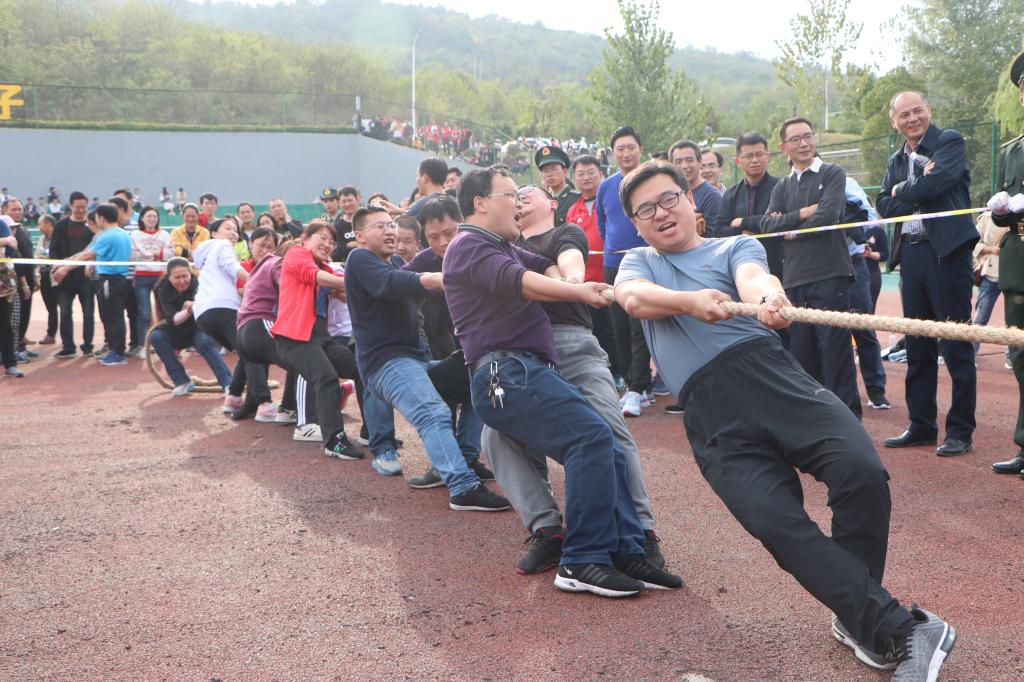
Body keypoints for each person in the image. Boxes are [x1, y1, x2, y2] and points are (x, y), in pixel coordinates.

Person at [615, 159, 956, 677]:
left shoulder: (733, 246)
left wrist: (769, 297)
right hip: (713, 417)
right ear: (636, 224)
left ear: (690, 200)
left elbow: (755, 277)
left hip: (774, 380)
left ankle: (865, 620)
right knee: (776, 523)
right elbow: (632, 299)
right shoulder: (639, 261)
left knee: (861, 472)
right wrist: (689, 302)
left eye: (668, 199)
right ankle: (896, 628)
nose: (661, 213)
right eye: (646, 210)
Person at [443, 165, 680, 597]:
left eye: (522, 196)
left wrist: (569, 279)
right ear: (480, 203)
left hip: (525, 369)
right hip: (502, 372)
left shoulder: (504, 246)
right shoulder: (468, 244)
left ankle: (626, 549)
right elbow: (521, 282)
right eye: (511, 195)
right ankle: (581, 558)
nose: (518, 204)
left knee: (605, 442)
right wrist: (578, 291)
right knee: (590, 437)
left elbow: (543, 264)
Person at [346, 205, 508, 503]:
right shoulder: (359, 259)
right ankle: (463, 488)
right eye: (380, 226)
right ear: (360, 236)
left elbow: (423, 269)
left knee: (484, 375)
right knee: (433, 412)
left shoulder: (396, 261)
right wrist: (439, 279)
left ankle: (464, 458)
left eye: (391, 224)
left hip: (418, 362)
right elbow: (394, 283)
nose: (389, 230)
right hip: (386, 364)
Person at [877, 92, 978, 456]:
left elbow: (939, 183)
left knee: (955, 343)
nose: (912, 118)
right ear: (894, 122)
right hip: (912, 255)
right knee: (917, 344)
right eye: (904, 114)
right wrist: (914, 188)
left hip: (947, 254)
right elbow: (883, 204)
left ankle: (960, 431)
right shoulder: (896, 159)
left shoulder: (948, 141)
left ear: (929, 111)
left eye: (917, 111)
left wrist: (903, 189)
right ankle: (921, 425)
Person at [760, 118, 862, 418]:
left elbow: (828, 214)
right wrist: (804, 213)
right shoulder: (782, 186)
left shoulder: (832, 173)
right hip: (794, 279)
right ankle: (816, 419)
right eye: (796, 139)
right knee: (803, 355)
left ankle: (848, 419)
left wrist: (791, 227)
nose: (804, 143)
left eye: (808, 136)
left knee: (835, 352)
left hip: (830, 274)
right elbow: (767, 225)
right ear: (784, 147)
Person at [272, 221, 363, 460]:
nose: (327, 244)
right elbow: (316, 277)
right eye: (322, 238)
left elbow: (344, 294)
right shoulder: (296, 253)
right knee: (326, 378)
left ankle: (372, 431)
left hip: (321, 337)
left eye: (332, 242)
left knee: (362, 369)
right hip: (294, 337)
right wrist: (355, 282)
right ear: (305, 238)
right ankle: (334, 441)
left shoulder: (324, 267)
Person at [598, 126, 653, 417]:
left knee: (639, 325)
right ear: (613, 153)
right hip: (613, 262)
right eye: (620, 149)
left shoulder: (650, 180)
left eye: (631, 147)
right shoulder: (606, 186)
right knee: (618, 325)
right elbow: (602, 223)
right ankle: (634, 385)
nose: (626, 153)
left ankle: (639, 386)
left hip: (645, 260)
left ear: (640, 149)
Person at [987, 50, 1024, 477]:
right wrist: (1000, 210)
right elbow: (1003, 216)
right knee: (1021, 357)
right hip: (1019, 265)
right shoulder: (1011, 151)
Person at [714, 132, 784, 347]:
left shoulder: (781, 187)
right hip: (740, 272)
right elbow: (719, 230)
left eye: (759, 154)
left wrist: (741, 222)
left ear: (767, 156)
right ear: (738, 160)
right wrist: (743, 233)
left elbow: (777, 224)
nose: (754, 160)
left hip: (778, 267)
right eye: (748, 156)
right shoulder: (731, 194)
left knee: (781, 323)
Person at [51, 203, 133, 366]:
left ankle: (117, 352)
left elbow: (87, 255)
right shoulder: (122, 234)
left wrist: (65, 269)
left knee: (112, 316)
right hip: (118, 278)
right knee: (114, 315)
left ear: (102, 218)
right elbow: (87, 254)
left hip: (110, 279)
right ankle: (116, 350)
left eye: (96, 217)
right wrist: (66, 262)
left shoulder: (107, 235)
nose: (95, 221)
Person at [566, 155, 620, 385]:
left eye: (591, 172)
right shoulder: (572, 209)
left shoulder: (611, 201)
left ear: (601, 174)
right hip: (586, 281)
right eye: (580, 173)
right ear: (574, 178)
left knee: (615, 328)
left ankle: (619, 372)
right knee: (595, 328)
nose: (586, 177)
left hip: (611, 275)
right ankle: (603, 370)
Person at [149, 258, 233, 396]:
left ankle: (228, 383)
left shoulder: (200, 284)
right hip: (174, 329)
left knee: (205, 342)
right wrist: (188, 310)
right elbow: (173, 320)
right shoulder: (162, 288)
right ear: (169, 277)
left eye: (185, 276)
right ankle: (181, 381)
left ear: (190, 273)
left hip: (197, 328)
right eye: (177, 277)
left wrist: (195, 305)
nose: (182, 281)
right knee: (156, 337)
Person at [192, 216, 251, 414]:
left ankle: (234, 396)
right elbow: (231, 266)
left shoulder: (207, 254)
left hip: (203, 314)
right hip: (223, 308)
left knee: (245, 352)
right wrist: (255, 280)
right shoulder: (222, 245)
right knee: (251, 352)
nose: (233, 233)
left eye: (236, 230)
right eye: (228, 228)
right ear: (214, 233)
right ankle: (262, 402)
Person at [49, 191, 96, 359]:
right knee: (65, 312)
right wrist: (57, 267)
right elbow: (53, 249)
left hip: (86, 277)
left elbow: (96, 249)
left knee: (88, 313)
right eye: (78, 207)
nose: (81, 210)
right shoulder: (61, 225)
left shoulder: (92, 226)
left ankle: (88, 346)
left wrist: (90, 264)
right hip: (65, 277)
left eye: (84, 207)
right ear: (70, 206)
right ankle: (68, 346)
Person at [131, 206, 171, 358]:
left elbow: (169, 253)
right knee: (144, 313)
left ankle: (166, 344)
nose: (152, 219)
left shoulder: (164, 234)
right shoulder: (135, 234)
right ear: (142, 218)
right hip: (142, 276)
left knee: (165, 312)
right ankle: (143, 346)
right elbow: (136, 255)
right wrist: (158, 254)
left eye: (155, 216)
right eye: (149, 216)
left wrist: (150, 254)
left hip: (161, 277)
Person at [668, 139, 722, 230]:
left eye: (689, 160)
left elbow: (714, 236)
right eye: (678, 162)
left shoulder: (712, 196)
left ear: (699, 162)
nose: (684, 166)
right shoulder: (668, 194)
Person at [534, 145, 580, 226]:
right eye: (545, 171)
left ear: (565, 172)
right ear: (541, 175)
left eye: (553, 169)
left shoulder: (576, 199)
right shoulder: (542, 201)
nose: (549, 174)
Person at [0, 216, 23, 377]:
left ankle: (10, 364)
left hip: (3, 286)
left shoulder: (1, 224)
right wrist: (4, 241)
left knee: (5, 326)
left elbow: (12, 248)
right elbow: (7, 243)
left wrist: (7, 241)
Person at [35, 214, 59, 345]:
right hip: (44, 275)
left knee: (64, 308)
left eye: (40, 224)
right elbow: (37, 256)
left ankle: (67, 340)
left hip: (57, 275)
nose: (39, 227)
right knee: (50, 307)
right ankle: (51, 334)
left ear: (48, 224)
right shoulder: (42, 239)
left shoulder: (59, 238)